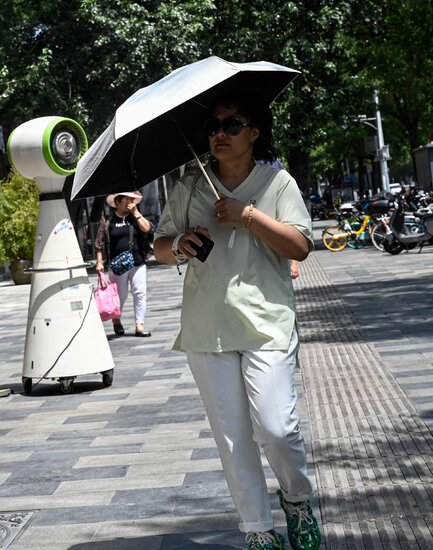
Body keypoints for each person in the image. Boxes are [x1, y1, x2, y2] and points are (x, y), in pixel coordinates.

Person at [152, 91, 321, 550]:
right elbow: (161, 247)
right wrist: (181, 245)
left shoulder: (277, 183)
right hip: (208, 327)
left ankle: (298, 501)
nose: (219, 134)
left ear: (253, 133)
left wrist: (248, 215)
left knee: (277, 428)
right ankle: (258, 530)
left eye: (231, 125)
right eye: (213, 127)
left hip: (267, 323)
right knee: (233, 437)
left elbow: (301, 246)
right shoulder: (188, 186)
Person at [95, 191, 154, 337]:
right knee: (120, 295)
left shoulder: (135, 217)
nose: (130, 202)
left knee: (140, 292)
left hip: (137, 261)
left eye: (132, 199)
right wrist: (99, 261)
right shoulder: (108, 220)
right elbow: (99, 242)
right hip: (118, 264)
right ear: (118, 201)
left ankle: (139, 325)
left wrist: (136, 213)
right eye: (127, 199)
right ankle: (116, 320)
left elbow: (148, 229)